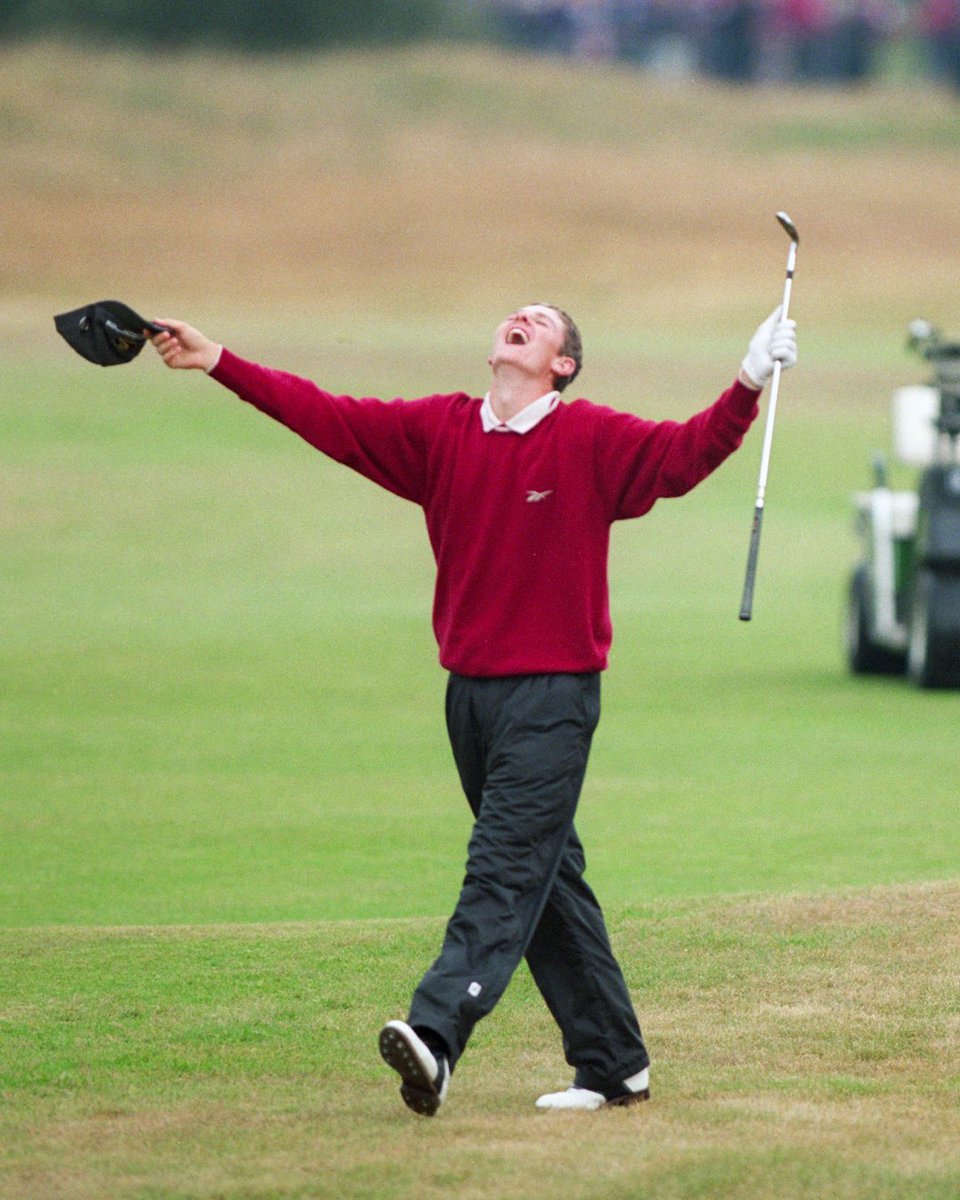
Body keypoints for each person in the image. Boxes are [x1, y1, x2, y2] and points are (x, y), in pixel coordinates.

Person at [151, 300, 797, 1116]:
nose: (521, 319)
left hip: (553, 696)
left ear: (562, 364)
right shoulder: (441, 432)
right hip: (470, 699)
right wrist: (218, 360)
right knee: (549, 881)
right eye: (514, 315)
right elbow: (324, 416)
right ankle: (614, 1064)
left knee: (502, 869)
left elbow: (686, 453)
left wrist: (747, 379)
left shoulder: (591, 437)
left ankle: (437, 1033)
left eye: (543, 321)